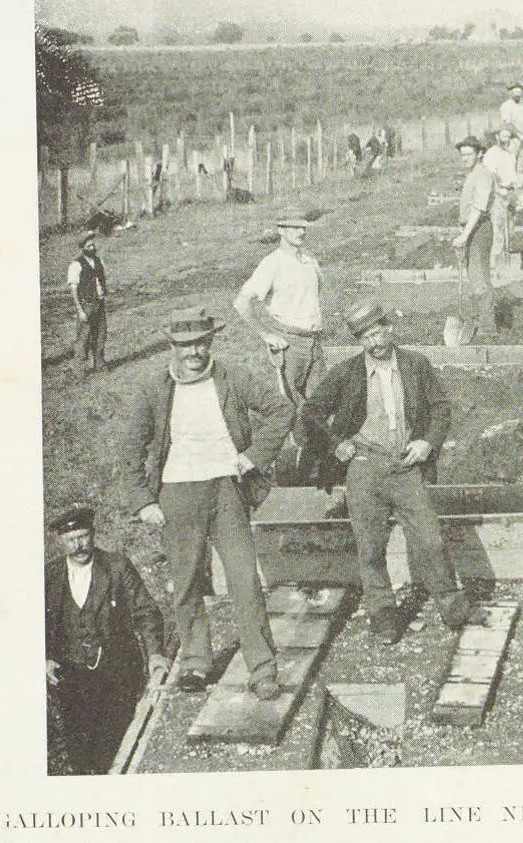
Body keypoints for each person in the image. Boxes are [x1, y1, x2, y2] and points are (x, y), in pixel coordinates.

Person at [123, 307, 293, 698]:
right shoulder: (154, 389)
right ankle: (197, 663)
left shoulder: (230, 377)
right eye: (185, 345)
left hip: (226, 490)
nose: (193, 351)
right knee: (185, 584)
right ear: (172, 347)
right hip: (177, 493)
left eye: (200, 342)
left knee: (245, 581)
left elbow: (281, 410)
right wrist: (143, 501)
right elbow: (131, 448)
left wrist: (254, 456)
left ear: (210, 342)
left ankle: (263, 669)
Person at [297, 300, 471, 644]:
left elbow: (440, 409)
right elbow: (312, 412)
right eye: (365, 337)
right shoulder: (347, 373)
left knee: (431, 540)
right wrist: (336, 445)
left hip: (406, 466)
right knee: (370, 548)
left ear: (389, 329)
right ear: (359, 341)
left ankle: (452, 606)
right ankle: (383, 615)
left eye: (377, 332)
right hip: (364, 470)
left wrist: (426, 443)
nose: (374, 342)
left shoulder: (415, 365)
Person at [45, 505, 169, 774]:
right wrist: (45, 658)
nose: (79, 545)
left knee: (116, 742)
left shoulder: (115, 566)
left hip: (117, 671)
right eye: (71, 540)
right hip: (71, 675)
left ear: (93, 534)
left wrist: (156, 653)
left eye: (84, 536)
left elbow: (146, 611)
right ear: (60, 542)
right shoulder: (50, 575)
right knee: (79, 745)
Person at [234, 217, 325, 405]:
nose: (301, 232)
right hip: (288, 344)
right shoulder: (272, 263)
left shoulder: (309, 259)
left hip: (314, 341)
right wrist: (266, 334)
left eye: (303, 227)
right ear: (281, 230)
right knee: (289, 406)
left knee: (322, 402)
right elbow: (241, 302)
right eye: (294, 228)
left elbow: (317, 291)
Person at [451, 135, 497, 338]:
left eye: (469, 154)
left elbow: (478, 208)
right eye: (462, 155)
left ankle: (488, 329)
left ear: (480, 153)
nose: (465, 158)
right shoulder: (473, 174)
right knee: (475, 276)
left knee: (479, 280)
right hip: (472, 229)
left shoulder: (483, 175)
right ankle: (482, 319)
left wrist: (465, 235)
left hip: (478, 230)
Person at [67, 230, 108, 378]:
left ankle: (99, 364)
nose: (92, 248)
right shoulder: (76, 265)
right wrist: (80, 310)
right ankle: (79, 369)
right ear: (83, 247)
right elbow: (73, 289)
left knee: (100, 335)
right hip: (86, 304)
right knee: (83, 337)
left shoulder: (99, 261)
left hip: (99, 303)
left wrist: (102, 296)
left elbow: (101, 280)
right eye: (89, 246)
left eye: (93, 245)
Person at [482, 127, 519, 259]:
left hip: (511, 192)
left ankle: (508, 252)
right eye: (503, 136)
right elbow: (491, 173)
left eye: (508, 137)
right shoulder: (492, 153)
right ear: (497, 137)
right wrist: (500, 186)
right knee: (498, 225)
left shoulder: (510, 153)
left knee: (510, 224)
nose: (506, 140)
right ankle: (496, 257)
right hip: (499, 193)